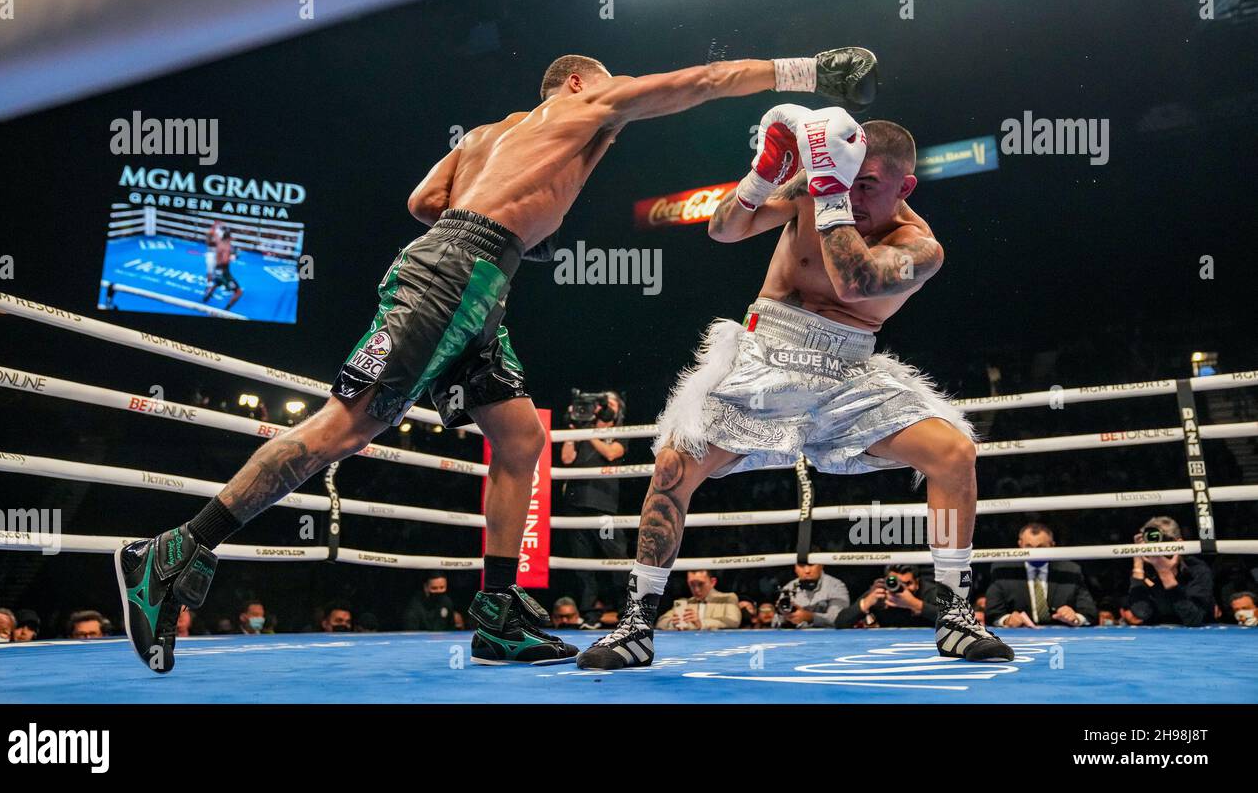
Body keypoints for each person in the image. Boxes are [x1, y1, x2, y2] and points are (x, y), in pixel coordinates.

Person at [114, 46, 877, 673]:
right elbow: (700, 82)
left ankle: (497, 613)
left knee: (520, 440)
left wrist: (497, 199)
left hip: (474, 276)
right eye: (608, 89)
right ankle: (177, 550)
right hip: (458, 275)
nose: (616, 110)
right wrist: (807, 73)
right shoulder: (578, 105)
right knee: (346, 427)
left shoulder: (484, 136)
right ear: (577, 83)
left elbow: (424, 201)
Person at [580, 104, 1012, 668]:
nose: (852, 196)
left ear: (905, 185)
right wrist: (766, 173)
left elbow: (856, 283)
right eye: (847, 180)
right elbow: (722, 229)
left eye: (869, 186)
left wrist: (829, 190)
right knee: (671, 468)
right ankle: (635, 625)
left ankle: (954, 615)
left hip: (848, 372)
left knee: (954, 452)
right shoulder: (814, 186)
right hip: (766, 355)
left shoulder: (921, 249)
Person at [557, 389, 628, 614]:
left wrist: (589, 433)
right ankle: (588, 613)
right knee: (582, 562)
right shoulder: (581, 429)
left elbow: (610, 453)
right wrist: (574, 429)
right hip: (575, 506)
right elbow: (566, 458)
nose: (604, 407)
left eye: (610, 403)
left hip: (604, 507)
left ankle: (625, 610)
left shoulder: (621, 432)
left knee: (616, 558)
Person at [985, 522, 1097, 627]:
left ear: (1052, 546)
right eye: (1028, 547)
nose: (1034, 553)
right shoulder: (1003, 570)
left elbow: (1090, 614)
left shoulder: (1070, 571)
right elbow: (992, 615)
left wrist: (1075, 617)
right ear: (1020, 545)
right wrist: (1007, 620)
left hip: (1062, 637)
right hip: (1018, 638)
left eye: (1040, 547)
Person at [1126, 516, 1214, 627]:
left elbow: (1193, 619)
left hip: (1199, 639)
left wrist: (1166, 575)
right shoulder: (1145, 570)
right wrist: (1138, 562)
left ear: (1178, 543)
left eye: (1160, 541)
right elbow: (1142, 613)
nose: (1154, 549)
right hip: (1157, 637)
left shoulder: (1197, 569)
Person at [834, 565, 938, 629]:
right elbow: (840, 623)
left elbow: (952, 619)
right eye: (896, 583)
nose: (902, 588)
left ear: (917, 583)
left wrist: (915, 604)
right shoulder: (881, 592)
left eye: (907, 583)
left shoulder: (929, 592)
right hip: (887, 643)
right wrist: (867, 602)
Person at [772, 561, 848, 628]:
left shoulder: (836, 585)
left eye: (811, 565)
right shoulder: (789, 587)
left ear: (821, 565)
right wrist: (783, 614)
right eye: (801, 566)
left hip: (828, 638)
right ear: (795, 568)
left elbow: (840, 619)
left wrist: (810, 617)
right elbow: (775, 623)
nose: (807, 571)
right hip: (797, 637)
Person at [655, 570, 742, 630]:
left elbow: (734, 621)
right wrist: (672, 623)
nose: (696, 589)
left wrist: (701, 623)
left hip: (717, 645)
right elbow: (660, 622)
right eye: (692, 584)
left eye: (701, 584)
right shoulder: (684, 602)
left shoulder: (727, 598)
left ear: (713, 582)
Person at [202, 224, 244, 310]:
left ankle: (208, 295)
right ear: (229, 238)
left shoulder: (219, 242)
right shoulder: (227, 247)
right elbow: (225, 261)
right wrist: (233, 257)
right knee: (238, 292)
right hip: (224, 272)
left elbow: (213, 236)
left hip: (217, 269)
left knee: (217, 282)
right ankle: (226, 309)